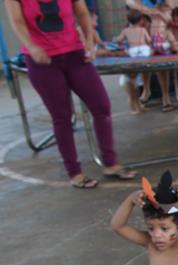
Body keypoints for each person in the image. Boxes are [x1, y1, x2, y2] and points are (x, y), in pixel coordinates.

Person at [4, 0, 136, 187]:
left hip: (75, 54)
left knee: (101, 106)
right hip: (43, 61)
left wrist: (89, 41)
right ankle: (74, 173)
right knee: (62, 116)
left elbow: (82, 13)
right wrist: (32, 47)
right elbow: (17, 22)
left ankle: (110, 163)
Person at [114, 9, 151, 114]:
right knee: (133, 85)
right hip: (144, 51)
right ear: (141, 20)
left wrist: (116, 40)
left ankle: (136, 107)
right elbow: (149, 40)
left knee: (132, 83)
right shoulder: (143, 29)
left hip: (133, 52)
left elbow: (119, 40)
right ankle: (136, 107)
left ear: (128, 20)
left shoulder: (126, 30)